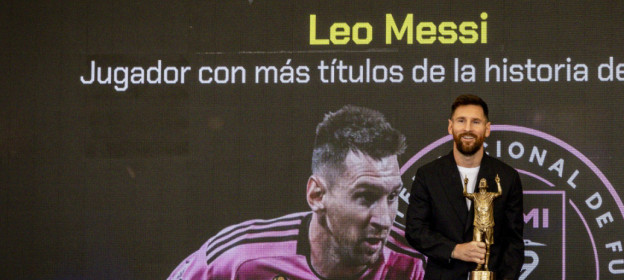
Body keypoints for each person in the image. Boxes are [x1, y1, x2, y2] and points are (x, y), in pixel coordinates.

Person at [167, 105, 424, 280]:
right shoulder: (238, 257)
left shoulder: (419, 265)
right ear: (317, 195)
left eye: (391, 197)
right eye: (365, 197)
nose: (384, 219)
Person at [405, 94, 524, 279]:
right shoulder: (428, 175)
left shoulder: (508, 177)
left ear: (487, 129)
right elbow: (415, 230)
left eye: (476, 122)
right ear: (450, 127)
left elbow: (513, 243)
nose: (468, 128)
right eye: (461, 121)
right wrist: (454, 250)